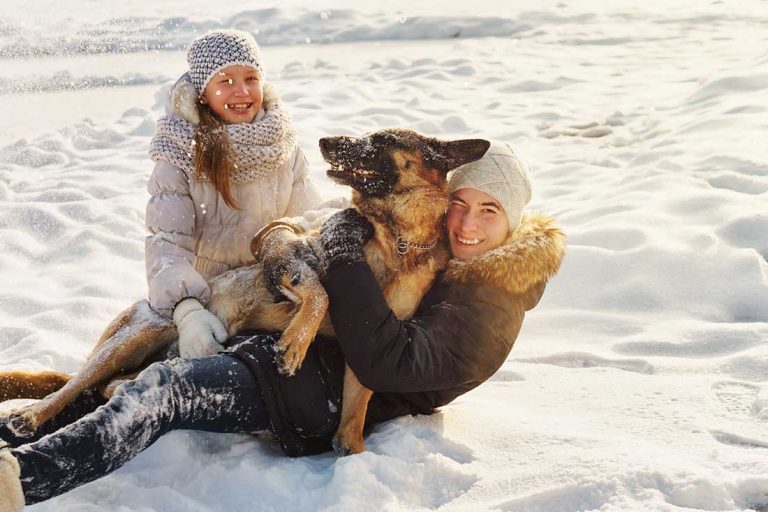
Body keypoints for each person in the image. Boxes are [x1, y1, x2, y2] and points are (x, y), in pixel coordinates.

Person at [0, 142, 565, 510]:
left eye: (488, 211)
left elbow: (380, 359)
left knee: (164, 392)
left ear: (512, 222)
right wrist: (295, 246)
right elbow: (285, 230)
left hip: (311, 400)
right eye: (460, 204)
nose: (466, 223)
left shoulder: (492, 309)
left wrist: (339, 253)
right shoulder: (430, 245)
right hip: (276, 345)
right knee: (113, 384)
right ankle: (16, 437)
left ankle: (18, 482)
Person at [146, 29, 322, 357]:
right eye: (225, 81)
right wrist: (188, 313)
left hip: (271, 290)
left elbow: (308, 224)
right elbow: (165, 246)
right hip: (212, 300)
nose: (241, 92)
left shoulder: (282, 145)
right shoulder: (180, 152)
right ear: (202, 94)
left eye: (250, 78)